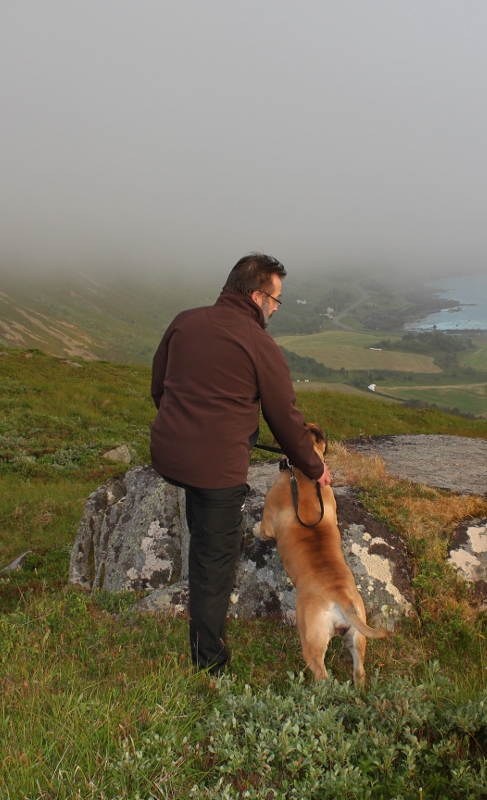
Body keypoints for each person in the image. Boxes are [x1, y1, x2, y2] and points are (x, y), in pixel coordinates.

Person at [150, 253, 331, 674]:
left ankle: (202, 539)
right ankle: (209, 666)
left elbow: (159, 387)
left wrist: (182, 425)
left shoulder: (185, 321)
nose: (275, 310)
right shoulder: (259, 343)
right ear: (256, 296)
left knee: (202, 519)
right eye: (275, 301)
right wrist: (315, 467)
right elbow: (285, 418)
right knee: (215, 561)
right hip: (216, 469)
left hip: (170, 455)